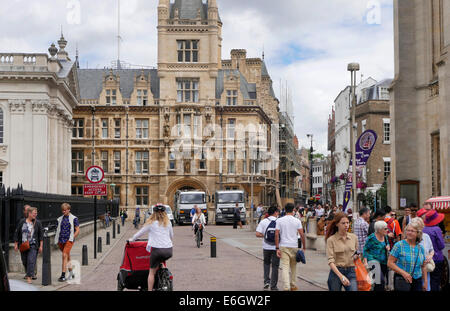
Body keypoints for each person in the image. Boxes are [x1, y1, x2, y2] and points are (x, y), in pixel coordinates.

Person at [129, 204, 173, 291]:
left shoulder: (151, 223)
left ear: (154, 213)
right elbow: (171, 236)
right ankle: (165, 276)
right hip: (169, 250)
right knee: (161, 261)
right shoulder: (168, 223)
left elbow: (140, 233)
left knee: (151, 272)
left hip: (157, 251)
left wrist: (132, 239)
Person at [387, 222, 427, 291]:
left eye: (412, 231)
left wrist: (425, 282)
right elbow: (390, 263)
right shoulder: (399, 245)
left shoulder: (421, 248)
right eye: (408, 230)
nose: (409, 232)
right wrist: (404, 273)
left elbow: (423, 266)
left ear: (418, 233)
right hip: (402, 280)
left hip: (417, 281)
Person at [275, 203, 306, 291]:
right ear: (293, 210)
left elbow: (276, 234)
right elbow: (301, 234)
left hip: (283, 245)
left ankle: (286, 287)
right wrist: (304, 247)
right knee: (293, 267)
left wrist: (277, 248)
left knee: (285, 267)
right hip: (294, 245)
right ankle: (293, 285)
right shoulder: (297, 221)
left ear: (284, 209)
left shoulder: (279, 220)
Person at [325, 212, 359, 291]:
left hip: (351, 271)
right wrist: (341, 276)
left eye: (347, 223)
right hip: (336, 272)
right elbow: (330, 261)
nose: (346, 225)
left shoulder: (354, 237)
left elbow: (357, 254)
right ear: (337, 224)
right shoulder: (331, 240)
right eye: (343, 223)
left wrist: (357, 257)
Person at [14, 207, 44, 284]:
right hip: (23, 245)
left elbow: (41, 235)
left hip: (33, 245)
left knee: (31, 261)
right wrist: (16, 244)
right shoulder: (22, 222)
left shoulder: (38, 223)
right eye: (34, 213)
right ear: (29, 213)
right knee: (24, 261)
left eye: (36, 213)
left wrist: (41, 246)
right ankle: (29, 273)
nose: (35, 215)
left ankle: (29, 277)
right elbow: (17, 233)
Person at [256, 205, 280, 291]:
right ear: (275, 212)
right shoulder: (279, 221)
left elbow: (257, 234)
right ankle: (273, 286)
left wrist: (265, 236)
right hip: (277, 248)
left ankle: (266, 281)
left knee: (266, 264)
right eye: (278, 212)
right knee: (275, 266)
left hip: (266, 247)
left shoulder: (263, 221)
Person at [55, 203, 80, 282]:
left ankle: (63, 275)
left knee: (64, 255)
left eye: (65, 210)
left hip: (69, 240)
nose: (63, 212)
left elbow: (77, 230)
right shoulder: (59, 219)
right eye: (62, 210)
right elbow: (58, 229)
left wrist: (72, 238)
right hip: (60, 240)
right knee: (67, 257)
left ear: (69, 210)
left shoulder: (74, 218)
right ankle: (72, 273)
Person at [363, 221, 390, 291]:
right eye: (385, 229)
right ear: (379, 229)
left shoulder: (385, 236)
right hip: (373, 260)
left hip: (383, 261)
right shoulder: (371, 238)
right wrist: (365, 261)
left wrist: (388, 246)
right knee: (380, 281)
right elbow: (365, 249)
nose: (387, 230)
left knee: (379, 282)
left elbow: (387, 244)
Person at [422, 210, 445, 291]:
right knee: (435, 281)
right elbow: (441, 245)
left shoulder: (423, 229)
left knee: (426, 280)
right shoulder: (437, 229)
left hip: (425, 258)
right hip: (437, 258)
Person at [410, 217, 434, 291]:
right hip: (414, 267)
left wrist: (430, 256)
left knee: (426, 286)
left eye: (420, 226)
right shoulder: (410, 237)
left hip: (425, 266)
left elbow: (432, 250)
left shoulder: (426, 236)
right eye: (416, 226)